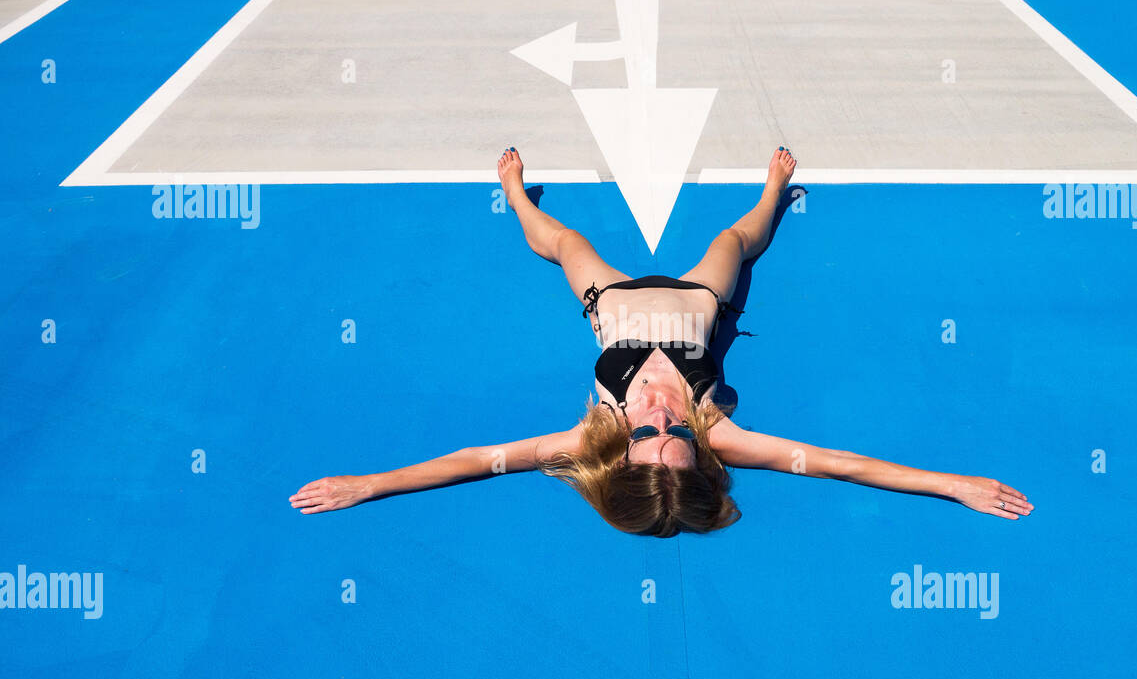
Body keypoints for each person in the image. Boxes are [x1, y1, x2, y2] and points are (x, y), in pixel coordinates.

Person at [289, 146, 1033, 535]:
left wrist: (369, 484)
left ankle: (515, 198)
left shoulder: (592, 432)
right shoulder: (724, 434)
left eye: (650, 431)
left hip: (609, 303)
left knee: (562, 241)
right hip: (698, 302)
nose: (658, 411)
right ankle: (771, 194)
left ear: (623, 449)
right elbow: (842, 466)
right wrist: (954, 484)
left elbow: (477, 463)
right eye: (675, 430)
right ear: (698, 449)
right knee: (736, 237)